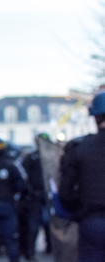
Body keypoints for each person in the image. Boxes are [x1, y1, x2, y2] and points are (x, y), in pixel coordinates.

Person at [59, 91, 105, 262]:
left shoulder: (79, 147)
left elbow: (65, 192)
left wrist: (78, 211)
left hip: (91, 220)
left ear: (95, 117)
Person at [22, 140, 46, 260]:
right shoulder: (45, 156)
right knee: (36, 224)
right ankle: (32, 251)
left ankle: (30, 251)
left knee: (34, 224)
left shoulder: (31, 157)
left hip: (36, 194)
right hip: (41, 194)